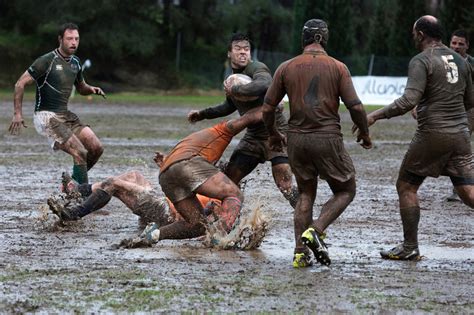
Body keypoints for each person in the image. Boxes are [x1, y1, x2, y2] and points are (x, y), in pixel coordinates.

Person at [359, 16, 474, 261]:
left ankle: (410, 246)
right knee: (468, 193)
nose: (413, 37)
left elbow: (408, 100)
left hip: (433, 134)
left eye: (414, 33)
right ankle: (409, 246)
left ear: (420, 34)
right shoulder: (461, 61)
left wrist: (374, 117)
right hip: (461, 134)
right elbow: (470, 101)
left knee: (406, 185)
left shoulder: (422, 60)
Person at [262, 19, 372, 268]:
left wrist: (273, 133)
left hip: (296, 140)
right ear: (323, 38)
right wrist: (364, 132)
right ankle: (316, 230)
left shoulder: (286, 67)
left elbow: (267, 108)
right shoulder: (338, 67)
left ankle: (300, 253)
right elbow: (355, 106)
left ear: (305, 39)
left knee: (306, 193)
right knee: (346, 190)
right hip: (326, 137)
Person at [187, 33, 299, 208]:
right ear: (229, 53)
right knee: (230, 180)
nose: (243, 53)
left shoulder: (257, 68)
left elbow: (265, 84)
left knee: (284, 184)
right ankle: (231, 220)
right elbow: (229, 106)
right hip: (253, 137)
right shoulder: (232, 79)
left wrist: (238, 89)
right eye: (238, 49)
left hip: (276, 133)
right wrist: (202, 114)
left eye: (246, 49)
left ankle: (306, 215)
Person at [8, 22, 106, 185]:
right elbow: (19, 84)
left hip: (65, 115)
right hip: (46, 116)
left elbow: (81, 88)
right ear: (60, 39)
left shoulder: (75, 62)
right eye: (69, 39)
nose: (74, 42)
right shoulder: (47, 60)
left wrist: (92, 89)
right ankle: (81, 197)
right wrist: (17, 113)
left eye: (76, 39)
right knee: (80, 151)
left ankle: (72, 184)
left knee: (96, 148)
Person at [445, 29, 474, 202]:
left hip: (469, 110)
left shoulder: (471, 65)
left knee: (460, 149)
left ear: (467, 46)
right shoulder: (443, 62)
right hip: (454, 111)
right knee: (458, 149)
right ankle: (460, 188)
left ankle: (461, 189)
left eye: (460, 44)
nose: (456, 47)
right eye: (454, 43)